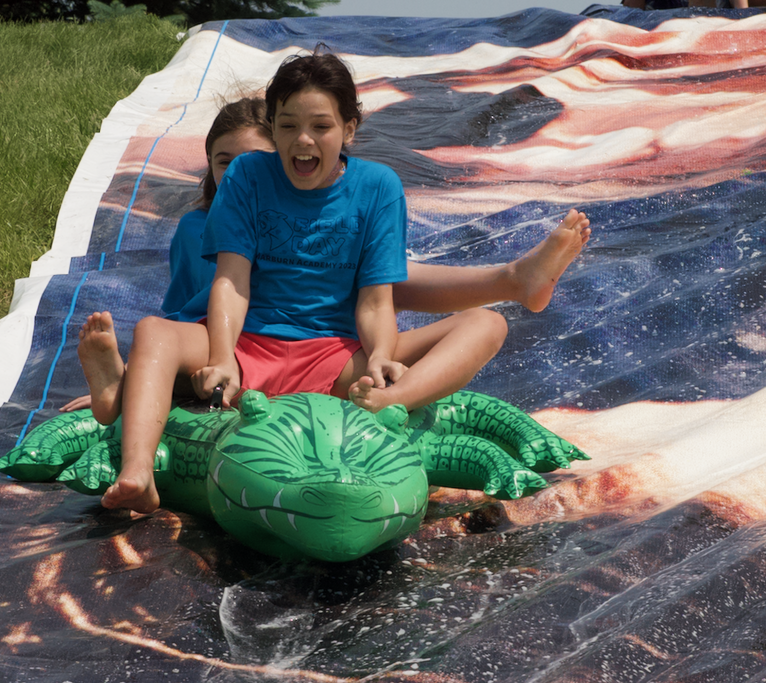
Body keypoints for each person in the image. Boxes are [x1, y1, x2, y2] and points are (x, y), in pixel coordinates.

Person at [76, 53, 591, 514]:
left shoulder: (377, 187)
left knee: (487, 324)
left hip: (336, 357)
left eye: (320, 126)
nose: (303, 139)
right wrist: (222, 357)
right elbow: (231, 282)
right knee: (154, 331)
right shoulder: (247, 177)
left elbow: (376, 300)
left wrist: (382, 357)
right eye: (288, 126)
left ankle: (391, 400)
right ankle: (138, 473)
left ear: (349, 129)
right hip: (252, 346)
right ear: (273, 129)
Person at [65, 97, 591, 416]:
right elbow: (182, 315)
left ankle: (514, 280)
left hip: (331, 350)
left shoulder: (321, 200)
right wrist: (146, 376)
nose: (238, 174)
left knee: (383, 277)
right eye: (224, 163)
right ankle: (512, 278)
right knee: (380, 277)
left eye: (253, 161)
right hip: (241, 352)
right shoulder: (199, 229)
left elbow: (372, 299)